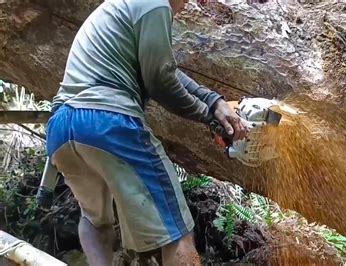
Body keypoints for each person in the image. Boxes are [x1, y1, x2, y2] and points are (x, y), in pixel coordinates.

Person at [45, 0, 247, 265]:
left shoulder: (126, 6)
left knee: (94, 220)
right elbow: (160, 81)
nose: (187, 5)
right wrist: (209, 117)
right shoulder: (155, 4)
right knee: (177, 233)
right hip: (108, 121)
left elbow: (167, 71)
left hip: (61, 127)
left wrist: (213, 101)